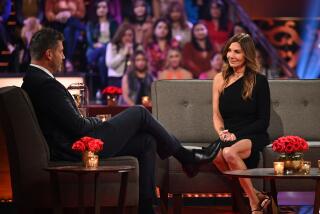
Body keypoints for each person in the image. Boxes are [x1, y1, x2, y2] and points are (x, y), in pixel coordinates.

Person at [21, 28, 218, 214]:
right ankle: (186, 157)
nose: (63, 57)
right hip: (79, 148)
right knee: (139, 113)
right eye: (61, 52)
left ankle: (147, 206)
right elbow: (78, 127)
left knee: (147, 141)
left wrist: (95, 122)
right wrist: (99, 122)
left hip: (75, 142)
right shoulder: (46, 85)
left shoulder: (33, 80)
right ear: (49, 54)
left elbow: (72, 123)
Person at [209, 33, 271, 213]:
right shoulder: (219, 79)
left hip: (252, 134)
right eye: (229, 50)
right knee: (214, 155)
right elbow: (216, 115)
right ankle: (256, 195)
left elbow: (263, 121)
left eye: (237, 52)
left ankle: (253, 204)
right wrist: (221, 132)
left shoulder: (259, 81)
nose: (231, 55)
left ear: (247, 55)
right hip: (229, 133)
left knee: (229, 152)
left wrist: (237, 135)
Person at [86, 0, 118, 87]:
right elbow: (89, 40)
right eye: (99, 7)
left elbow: (115, 39)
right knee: (103, 51)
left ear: (108, 9)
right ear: (96, 10)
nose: (101, 9)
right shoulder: (91, 24)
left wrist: (105, 46)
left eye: (104, 7)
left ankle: (103, 87)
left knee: (101, 60)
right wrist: (95, 45)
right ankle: (106, 88)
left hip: (109, 51)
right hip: (94, 51)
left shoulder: (113, 23)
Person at [105, 23, 135, 87]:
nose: (127, 38)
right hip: (115, 79)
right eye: (124, 35)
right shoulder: (112, 46)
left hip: (131, 79)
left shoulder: (135, 47)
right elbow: (110, 64)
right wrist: (123, 54)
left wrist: (132, 55)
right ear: (120, 35)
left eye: (130, 35)